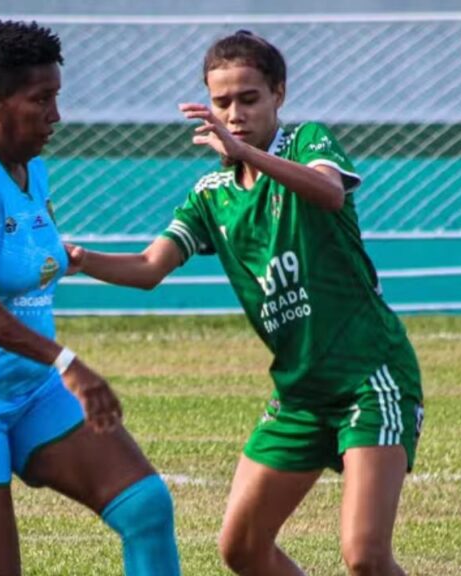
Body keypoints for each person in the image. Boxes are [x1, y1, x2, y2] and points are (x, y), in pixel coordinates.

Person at [66, 30, 424, 576]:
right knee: (242, 548)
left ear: (279, 93)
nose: (234, 114)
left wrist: (247, 153)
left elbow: (330, 193)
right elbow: (149, 268)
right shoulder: (212, 195)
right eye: (222, 102)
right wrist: (81, 258)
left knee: (365, 557)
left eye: (249, 98)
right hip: (300, 394)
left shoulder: (306, 142)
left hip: (369, 376)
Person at [0, 21, 181, 576]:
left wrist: (71, 261)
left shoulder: (33, 170)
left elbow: (27, 257)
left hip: (30, 392)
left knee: (145, 507)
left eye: (56, 96)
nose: (56, 115)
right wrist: (68, 363)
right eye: (41, 99)